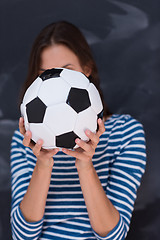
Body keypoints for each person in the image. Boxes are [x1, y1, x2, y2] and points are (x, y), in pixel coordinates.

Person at [10, 21, 146, 240]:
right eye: (46, 74)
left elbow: (113, 235)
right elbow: (22, 236)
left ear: (86, 70)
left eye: (66, 70)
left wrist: (85, 165)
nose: (55, 84)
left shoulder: (125, 133)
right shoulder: (26, 139)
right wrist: (43, 164)